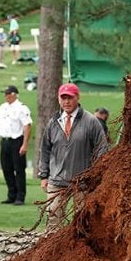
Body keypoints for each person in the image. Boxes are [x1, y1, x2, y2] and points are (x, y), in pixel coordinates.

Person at [37, 83, 108, 228]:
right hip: (56, 181)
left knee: (83, 221)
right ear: (58, 99)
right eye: (63, 98)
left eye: (70, 98)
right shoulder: (53, 122)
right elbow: (45, 150)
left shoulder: (91, 121)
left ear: (77, 97)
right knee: (53, 219)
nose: (66, 102)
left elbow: (102, 149)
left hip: (82, 182)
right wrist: (44, 175)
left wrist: (96, 175)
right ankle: (53, 250)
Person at [0, 86, 33, 206]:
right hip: (5, 141)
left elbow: (27, 126)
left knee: (19, 169)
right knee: (6, 169)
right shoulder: (2, 107)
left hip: (17, 141)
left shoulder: (21, 108)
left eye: (7, 94)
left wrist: (25, 144)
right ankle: (11, 195)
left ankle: (20, 197)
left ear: (14, 94)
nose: (5, 96)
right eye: (5, 94)